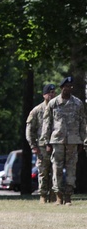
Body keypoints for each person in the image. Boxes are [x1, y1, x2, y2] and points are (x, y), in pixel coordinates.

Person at [44, 76, 86, 205]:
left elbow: (82, 123)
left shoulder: (78, 103)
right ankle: (58, 196)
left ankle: (68, 197)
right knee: (56, 168)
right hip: (57, 141)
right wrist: (46, 142)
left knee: (71, 169)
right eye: (66, 86)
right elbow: (47, 123)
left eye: (71, 86)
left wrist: (83, 141)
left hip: (73, 141)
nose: (69, 88)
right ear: (62, 88)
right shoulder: (53, 103)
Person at [25, 82, 57, 203]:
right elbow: (29, 130)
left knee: (56, 171)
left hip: (56, 144)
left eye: (54, 93)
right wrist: (33, 146)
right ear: (44, 95)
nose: (52, 95)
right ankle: (43, 195)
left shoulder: (58, 108)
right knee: (43, 171)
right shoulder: (37, 110)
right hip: (42, 146)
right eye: (50, 93)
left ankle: (54, 196)